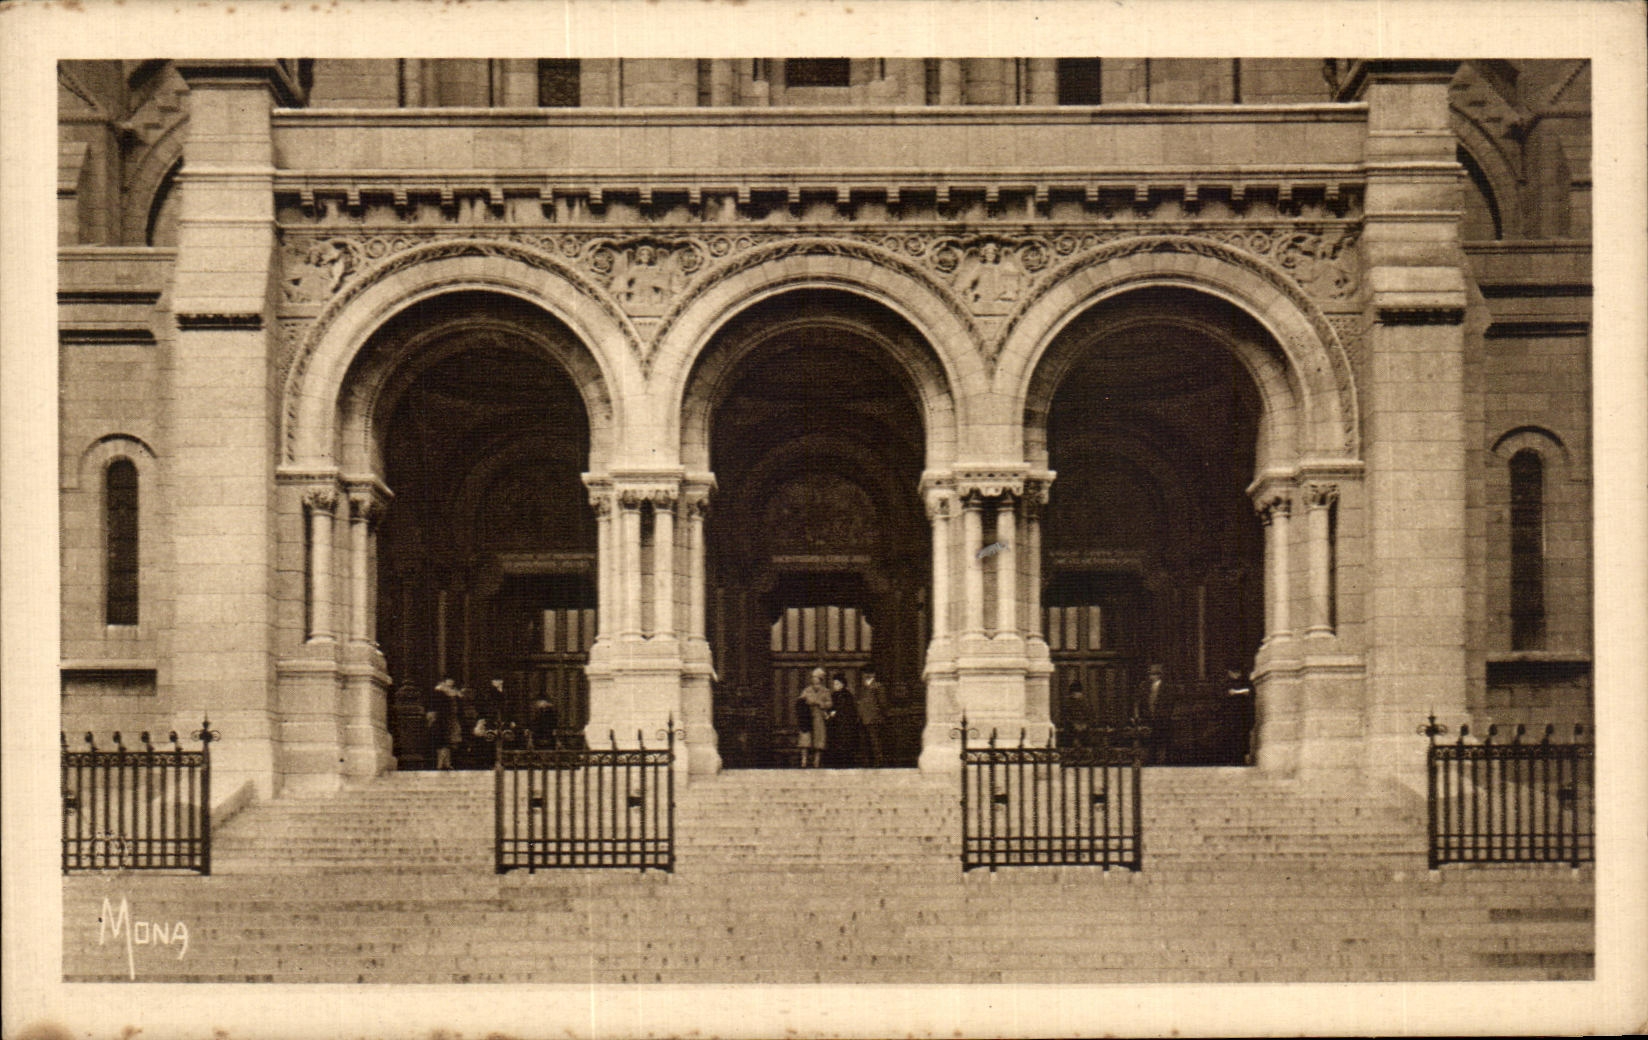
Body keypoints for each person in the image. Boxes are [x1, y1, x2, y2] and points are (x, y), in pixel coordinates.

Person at [823, 673, 862, 768]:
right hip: (836, 725)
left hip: (844, 725)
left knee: (845, 745)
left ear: (842, 684)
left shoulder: (847, 696)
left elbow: (850, 711)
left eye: (836, 684)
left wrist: (836, 713)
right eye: (834, 684)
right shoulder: (834, 695)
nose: (834, 686)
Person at [796, 667, 832, 768]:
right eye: (813, 677)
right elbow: (800, 701)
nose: (814, 679)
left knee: (818, 739)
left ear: (821, 679)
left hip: (819, 717)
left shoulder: (825, 691)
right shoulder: (807, 690)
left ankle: (817, 760)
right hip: (807, 717)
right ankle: (804, 760)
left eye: (817, 678)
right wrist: (806, 702)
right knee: (805, 738)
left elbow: (829, 703)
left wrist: (821, 704)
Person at [426, 678, 465, 770]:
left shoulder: (454, 693)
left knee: (448, 743)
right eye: (449, 680)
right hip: (441, 719)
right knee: (442, 742)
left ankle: (446, 763)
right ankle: (441, 764)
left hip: (451, 719)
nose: (451, 682)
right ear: (444, 681)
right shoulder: (439, 691)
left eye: (452, 680)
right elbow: (436, 706)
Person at [857, 670, 886, 768]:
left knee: (875, 741)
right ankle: (866, 762)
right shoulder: (862, 687)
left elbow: (882, 703)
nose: (865, 675)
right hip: (863, 718)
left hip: (873, 718)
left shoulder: (877, 686)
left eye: (867, 673)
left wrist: (878, 715)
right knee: (864, 741)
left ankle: (878, 762)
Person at [1061, 677, 1096, 749]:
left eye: (1077, 693)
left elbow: (1091, 715)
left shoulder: (1086, 703)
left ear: (1081, 693)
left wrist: (1084, 724)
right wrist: (1074, 724)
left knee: (1087, 743)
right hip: (1071, 730)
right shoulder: (1068, 704)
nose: (1075, 695)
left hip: (1086, 730)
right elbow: (1065, 717)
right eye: (1073, 693)